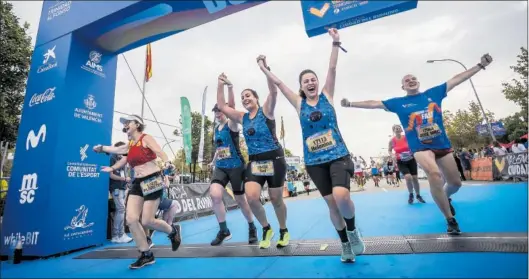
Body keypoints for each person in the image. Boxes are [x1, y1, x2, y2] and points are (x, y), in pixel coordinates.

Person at [341, 53, 494, 234]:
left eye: (413, 79)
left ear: (418, 82)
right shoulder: (399, 103)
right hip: (420, 147)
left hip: (442, 145)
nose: (411, 81)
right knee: (434, 174)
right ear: (403, 86)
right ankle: (450, 220)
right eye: (407, 80)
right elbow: (374, 103)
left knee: (455, 183)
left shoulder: (434, 93)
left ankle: (445, 197)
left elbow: (457, 79)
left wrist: (480, 65)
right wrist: (350, 103)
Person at [255, 28, 364, 263]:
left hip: (338, 156)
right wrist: (264, 69)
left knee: (341, 196)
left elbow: (332, 69)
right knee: (332, 205)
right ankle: (345, 244)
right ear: (302, 87)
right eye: (306, 81)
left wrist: (335, 43)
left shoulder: (327, 95)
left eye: (313, 79)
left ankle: (353, 231)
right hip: (315, 162)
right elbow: (280, 83)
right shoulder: (298, 103)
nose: (311, 82)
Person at [93, 114, 182, 269]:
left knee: (147, 221)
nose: (126, 125)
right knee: (132, 219)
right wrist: (104, 153)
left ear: (137, 124)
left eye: (128, 122)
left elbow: (159, 151)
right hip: (137, 183)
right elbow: (119, 152)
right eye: (125, 123)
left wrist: (167, 161)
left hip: (152, 180)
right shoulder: (130, 144)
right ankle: (146, 254)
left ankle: (173, 231)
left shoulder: (145, 138)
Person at [216, 71, 290, 249]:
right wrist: (220, 84)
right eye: (243, 97)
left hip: (275, 158)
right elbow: (222, 105)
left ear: (256, 98)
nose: (245, 99)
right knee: (251, 197)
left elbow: (273, 92)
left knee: (276, 199)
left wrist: (265, 69)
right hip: (256, 162)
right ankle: (266, 228)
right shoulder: (242, 118)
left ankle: (283, 230)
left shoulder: (266, 111)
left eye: (248, 95)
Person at [209, 99, 258, 246]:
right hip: (221, 167)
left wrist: (228, 87)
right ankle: (224, 230)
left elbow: (232, 109)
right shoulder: (216, 130)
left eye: (220, 111)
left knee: (241, 200)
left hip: (236, 167)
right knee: (215, 194)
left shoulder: (232, 124)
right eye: (216, 112)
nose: (218, 114)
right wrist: (213, 160)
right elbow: (219, 148)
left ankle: (251, 227)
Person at [388, 125, 425, 204]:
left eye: (398, 128)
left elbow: (414, 144)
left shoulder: (407, 138)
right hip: (401, 161)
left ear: (401, 129)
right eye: (395, 128)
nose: (397, 129)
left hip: (411, 159)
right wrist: (392, 155)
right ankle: (411, 194)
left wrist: (414, 151)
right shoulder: (392, 141)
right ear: (393, 131)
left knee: (415, 178)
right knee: (408, 177)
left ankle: (418, 195)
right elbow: (389, 150)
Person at [108, 141, 133, 243]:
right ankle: (118, 235)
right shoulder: (112, 158)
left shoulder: (122, 159)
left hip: (122, 188)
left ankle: (118, 235)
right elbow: (111, 175)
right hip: (116, 187)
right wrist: (123, 179)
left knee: (121, 210)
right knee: (121, 209)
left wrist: (126, 181)